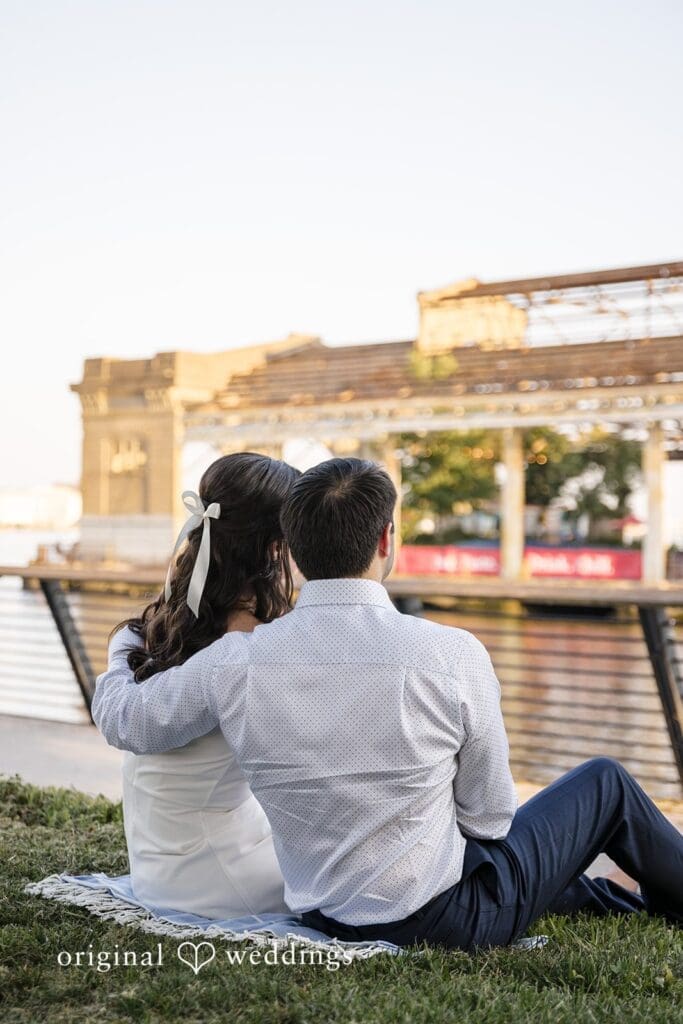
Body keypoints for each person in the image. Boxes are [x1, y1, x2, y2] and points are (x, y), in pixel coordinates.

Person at [93, 457, 683, 949]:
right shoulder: (451, 652)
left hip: (322, 913)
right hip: (447, 919)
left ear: (293, 551)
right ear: (385, 540)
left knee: (535, 851)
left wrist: (129, 641)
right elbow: (490, 818)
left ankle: (633, 904)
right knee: (604, 785)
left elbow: (129, 719)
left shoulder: (234, 660)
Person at [108, 452, 298, 918]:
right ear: (276, 547)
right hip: (220, 878)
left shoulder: (159, 626)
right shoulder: (252, 646)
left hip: (157, 867)